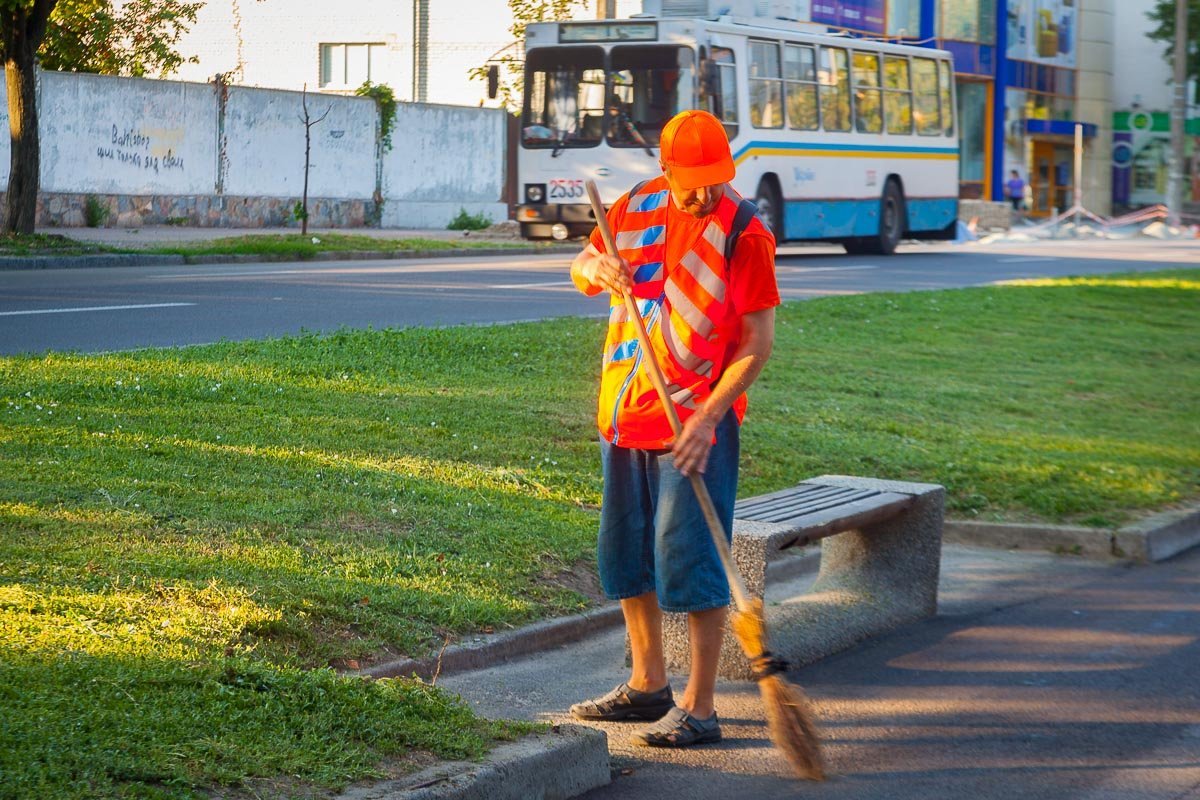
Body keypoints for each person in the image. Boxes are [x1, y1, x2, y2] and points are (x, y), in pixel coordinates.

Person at [567, 109, 779, 748]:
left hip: (696, 420)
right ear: (666, 169)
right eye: (694, 181)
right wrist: (594, 270)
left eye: (717, 179)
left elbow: (757, 341)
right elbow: (582, 265)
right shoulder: (632, 206)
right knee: (627, 554)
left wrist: (710, 416)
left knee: (690, 559)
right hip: (626, 409)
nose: (705, 193)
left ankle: (701, 705)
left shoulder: (743, 230)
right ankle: (647, 684)